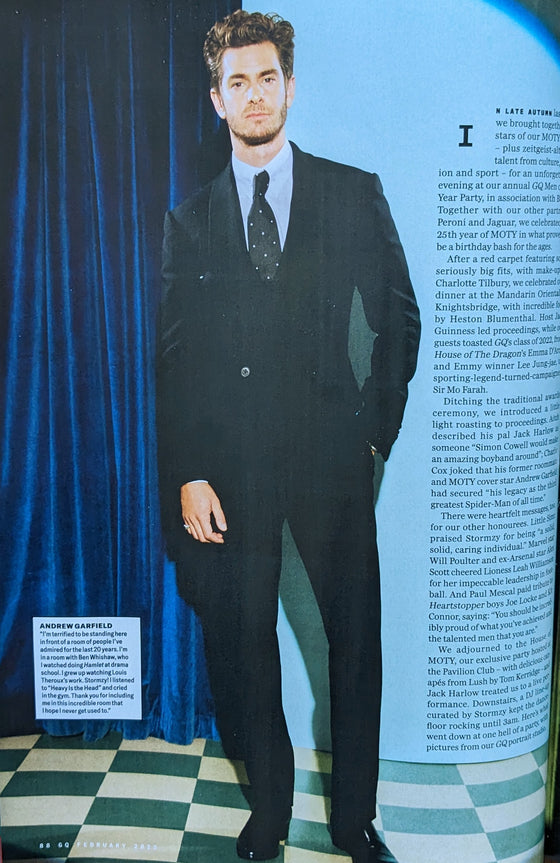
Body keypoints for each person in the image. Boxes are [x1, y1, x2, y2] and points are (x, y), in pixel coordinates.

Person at [157, 10, 420, 863]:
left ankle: (354, 822)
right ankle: (267, 813)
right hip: (230, 473)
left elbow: (399, 321)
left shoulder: (352, 192)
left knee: (356, 647)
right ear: (216, 99)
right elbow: (175, 364)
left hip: (333, 460)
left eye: (267, 77)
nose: (254, 95)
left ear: (290, 86)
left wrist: (374, 434)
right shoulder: (189, 221)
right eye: (236, 82)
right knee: (243, 648)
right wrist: (189, 471)